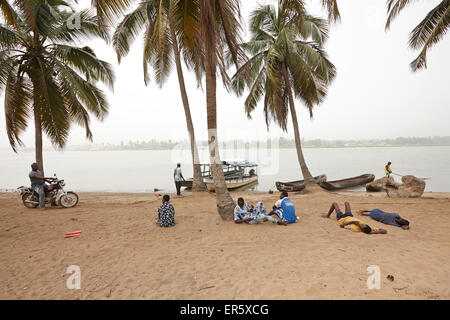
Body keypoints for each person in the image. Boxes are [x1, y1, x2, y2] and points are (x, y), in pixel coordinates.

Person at [322, 202, 387, 234]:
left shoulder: (355, 229)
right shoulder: (368, 228)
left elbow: (341, 225)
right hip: (350, 216)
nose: (362, 224)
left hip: (342, 218)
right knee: (347, 203)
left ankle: (328, 215)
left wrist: (353, 222)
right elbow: (384, 231)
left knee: (334, 204)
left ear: (361, 229)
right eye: (364, 224)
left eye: (362, 226)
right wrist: (371, 232)